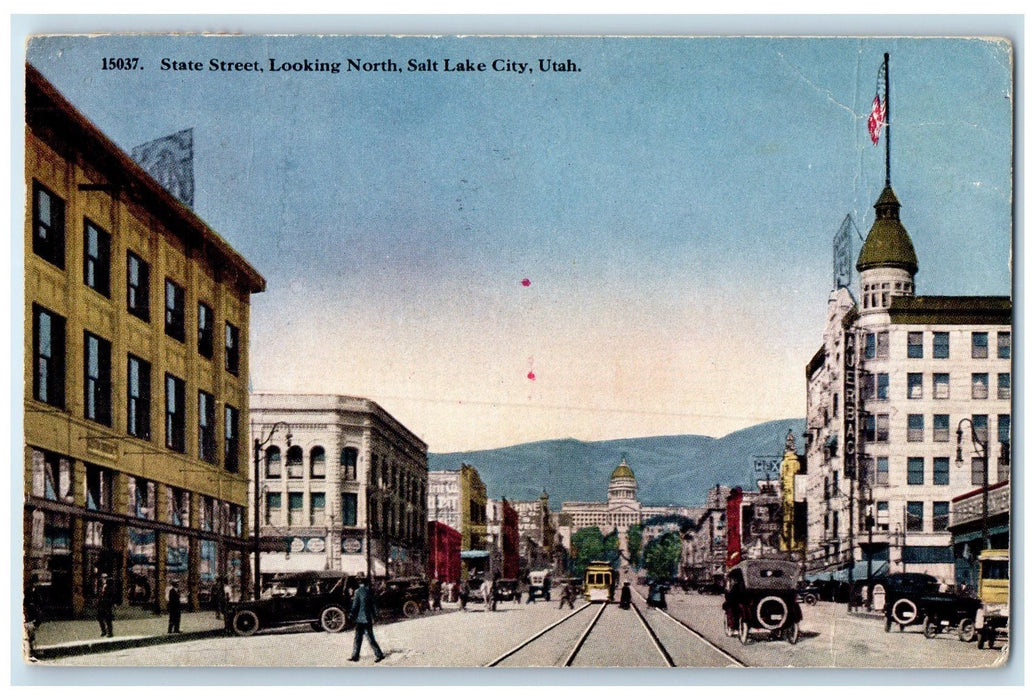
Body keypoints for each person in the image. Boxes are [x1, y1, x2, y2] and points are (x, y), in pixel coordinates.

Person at [349, 578, 384, 663]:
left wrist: (351, 615)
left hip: (360, 619)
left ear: (358, 582)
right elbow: (374, 605)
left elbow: (355, 605)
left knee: (357, 638)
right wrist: (375, 616)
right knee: (370, 638)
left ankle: (355, 656)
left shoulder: (357, 592)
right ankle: (379, 654)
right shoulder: (369, 591)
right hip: (367, 618)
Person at [97, 574, 115, 638]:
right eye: (103, 578)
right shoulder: (100, 586)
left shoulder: (110, 586)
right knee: (100, 618)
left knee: (108, 619)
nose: (104, 579)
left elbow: (111, 595)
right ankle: (103, 631)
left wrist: (110, 603)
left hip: (107, 605)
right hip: (101, 604)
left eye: (105, 578)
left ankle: (110, 632)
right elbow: (99, 595)